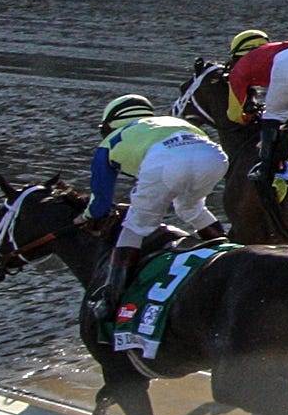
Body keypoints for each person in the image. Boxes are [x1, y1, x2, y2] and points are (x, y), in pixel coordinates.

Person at [86, 93, 230, 322]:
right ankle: (228, 251)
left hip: (166, 160)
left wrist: (88, 216)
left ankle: (110, 300)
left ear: (110, 124)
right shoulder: (171, 122)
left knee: (135, 226)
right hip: (213, 157)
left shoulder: (110, 141)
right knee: (190, 208)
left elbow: (100, 203)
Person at [222, 28, 288, 195]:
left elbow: (234, 114)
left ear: (237, 54)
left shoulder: (241, 67)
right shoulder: (271, 52)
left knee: (273, 115)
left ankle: (265, 168)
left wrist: (247, 117)